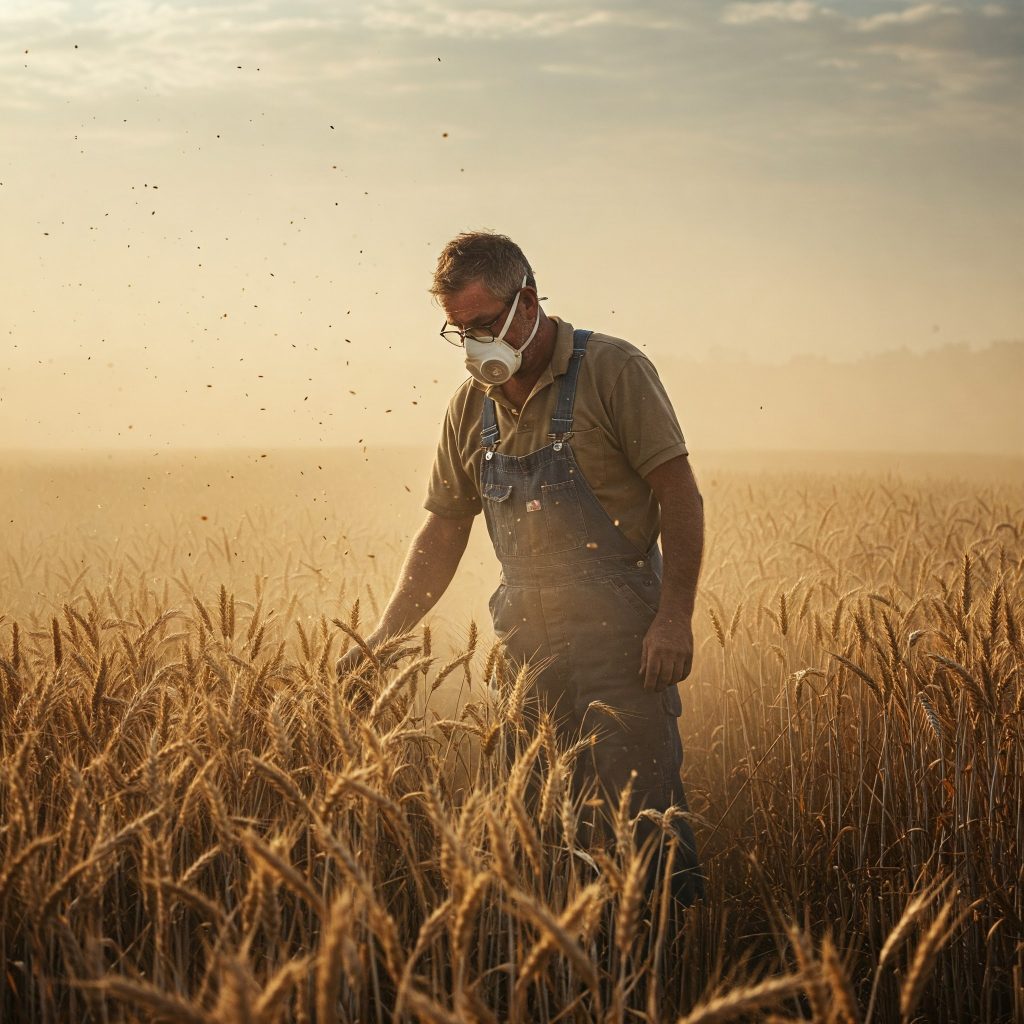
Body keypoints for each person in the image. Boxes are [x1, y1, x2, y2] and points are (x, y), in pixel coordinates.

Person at [338, 231, 705, 905]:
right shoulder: (470, 408)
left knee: (640, 824)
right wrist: (385, 635)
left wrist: (674, 616)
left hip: (623, 643)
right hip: (525, 647)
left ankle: (663, 974)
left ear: (527, 304)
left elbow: (678, 494)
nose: (475, 346)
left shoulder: (614, 371)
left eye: (484, 325)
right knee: (528, 824)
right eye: (459, 332)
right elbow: (445, 527)